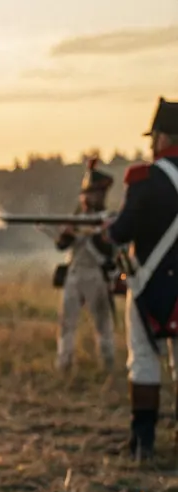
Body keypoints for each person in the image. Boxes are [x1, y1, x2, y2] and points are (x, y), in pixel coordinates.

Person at [108, 97, 178, 462]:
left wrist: (110, 228)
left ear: (164, 138)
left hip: (151, 285)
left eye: (155, 137)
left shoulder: (145, 179)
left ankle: (144, 445)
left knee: (145, 361)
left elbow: (121, 232)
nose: (152, 144)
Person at [52, 159, 116, 372]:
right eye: (89, 193)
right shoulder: (76, 217)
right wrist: (69, 233)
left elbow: (109, 251)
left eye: (95, 193)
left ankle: (108, 366)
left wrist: (96, 232)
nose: (91, 197)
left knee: (103, 325)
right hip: (75, 273)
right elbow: (61, 246)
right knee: (66, 324)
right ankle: (64, 364)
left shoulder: (106, 219)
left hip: (96, 275)